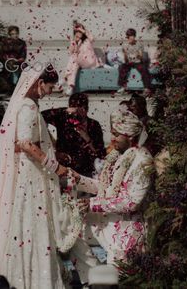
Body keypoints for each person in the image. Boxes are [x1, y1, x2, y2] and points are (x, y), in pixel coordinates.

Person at [0, 64, 75, 289]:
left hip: (30, 171)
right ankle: (32, 279)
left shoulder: (23, 104)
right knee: (31, 222)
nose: (49, 92)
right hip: (31, 175)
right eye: (49, 87)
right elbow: (24, 143)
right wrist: (53, 165)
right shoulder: (28, 106)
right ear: (39, 83)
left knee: (27, 222)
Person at [69, 108, 153, 284]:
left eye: (116, 134)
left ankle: (103, 282)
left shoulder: (143, 161)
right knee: (69, 230)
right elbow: (106, 188)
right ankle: (91, 278)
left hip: (126, 232)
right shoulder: (117, 157)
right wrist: (79, 179)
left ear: (129, 136)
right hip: (106, 222)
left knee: (121, 281)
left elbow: (132, 203)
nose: (112, 138)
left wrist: (92, 204)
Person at [42, 93, 106, 178]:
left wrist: (87, 138)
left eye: (82, 108)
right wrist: (65, 110)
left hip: (86, 171)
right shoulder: (63, 120)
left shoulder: (94, 125)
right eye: (75, 108)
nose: (78, 113)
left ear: (86, 109)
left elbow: (101, 153)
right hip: (64, 169)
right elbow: (42, 116)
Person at [63, 23, 102, 95]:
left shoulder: (87, 40)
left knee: (74, 59)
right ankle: (70, 86)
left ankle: (66, 80)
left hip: (90, 61)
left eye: (80, 31)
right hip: (81, 62)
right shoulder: (76, 41)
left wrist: (82, 30)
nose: (78, 33)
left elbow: (92, 38)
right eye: (77, 32)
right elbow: (71, 52)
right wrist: (74, 42)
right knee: (74, 63)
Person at [117, 28, 152, 96]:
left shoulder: (139, 44)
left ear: (135, 36)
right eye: (130, 36)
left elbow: (141, 57)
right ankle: (122, 87)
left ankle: (146, 88)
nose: (132, 38)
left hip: (137, 62)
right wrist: (125, 55)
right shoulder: (124, 45)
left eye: (133, 36)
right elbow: (125, 59)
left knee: (144, 69)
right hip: (129, 62)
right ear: (128, 37)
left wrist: (138, 54)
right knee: (121, 67)